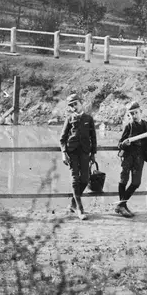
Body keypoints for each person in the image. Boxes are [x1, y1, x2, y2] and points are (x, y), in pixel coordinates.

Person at [115, 101, 147, 218]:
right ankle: (122, 206)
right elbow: (120, 144)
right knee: (123, 180)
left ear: (141, 112)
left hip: (140, 158)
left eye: (136, 113)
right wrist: (125, 144)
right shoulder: (128, 127)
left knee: (136, 183)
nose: (134, 116)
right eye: (131, 114)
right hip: (128, 157)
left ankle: (121, 205)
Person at [58, 93, 96, 221]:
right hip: (72, 152)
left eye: (76, 104)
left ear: (81, 103)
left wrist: (93, 154)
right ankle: (80, 208)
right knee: (75, 179)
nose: (74, 107)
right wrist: (64, 153)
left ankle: (73, 203)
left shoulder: (88, 119)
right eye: (71, 105)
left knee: (85, 179)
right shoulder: (69, 119)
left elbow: (93, 138)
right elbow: (62, 138)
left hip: (85, 152)